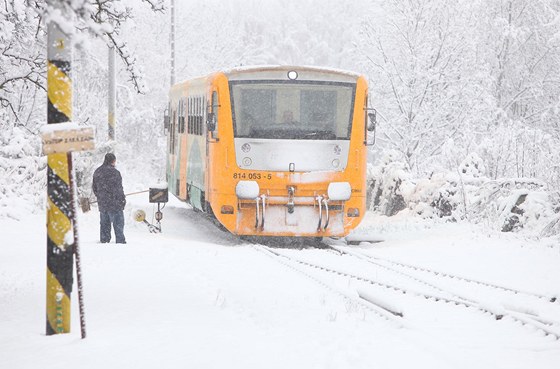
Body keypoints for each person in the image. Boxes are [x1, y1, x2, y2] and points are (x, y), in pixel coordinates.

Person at [92, 153, 126, 244]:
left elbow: (94, 188)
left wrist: (101, 197)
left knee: (104, 224)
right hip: (115, 204)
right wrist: (122, 200)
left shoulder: (97, 172)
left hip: (103, 204)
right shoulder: (115, 173)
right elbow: (119, 189)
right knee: (118, 223)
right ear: (113, 161)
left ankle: (104, 240)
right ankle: (120, 241)